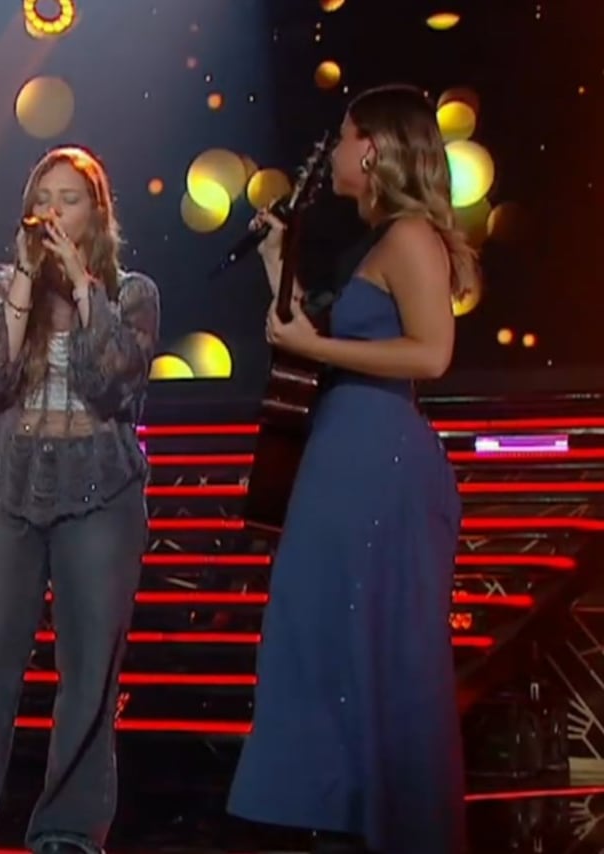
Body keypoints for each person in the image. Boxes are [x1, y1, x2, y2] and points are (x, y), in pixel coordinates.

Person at [226, 84, 476, 854]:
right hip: (343, 450)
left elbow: (431, 353)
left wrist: (315, 346)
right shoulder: (376, 243)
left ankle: (385, 821)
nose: (331, 150)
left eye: (342, 136)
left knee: (375, 644)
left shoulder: (411, 237)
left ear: (373, 149)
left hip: (377, 458)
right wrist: (279, 263)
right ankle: (341, 812)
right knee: (325, 635)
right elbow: (309, 342)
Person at [0, 146, 160, 854]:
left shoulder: (131, 293)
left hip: (100, 490)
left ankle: (69, 831)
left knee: (88, 676)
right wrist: (23, 278)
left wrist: (82, 285)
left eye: (68, 199)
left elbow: (113, 384)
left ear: (96, 214)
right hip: (7, 487)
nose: (52, 212)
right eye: (42, 198)